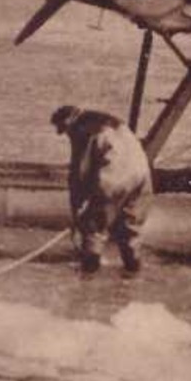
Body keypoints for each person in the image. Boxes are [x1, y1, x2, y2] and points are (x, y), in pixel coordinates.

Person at [51, 105, 154, 277]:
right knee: (131, 227)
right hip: (142, 172)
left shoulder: (81, 128)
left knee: (93, 226)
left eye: (64, 130)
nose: (66, 135)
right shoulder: (111, 120)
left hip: (115, 174)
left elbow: (79, 173)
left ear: (69, 121)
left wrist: (77, 209)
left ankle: (87, 278)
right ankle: (132, 274)